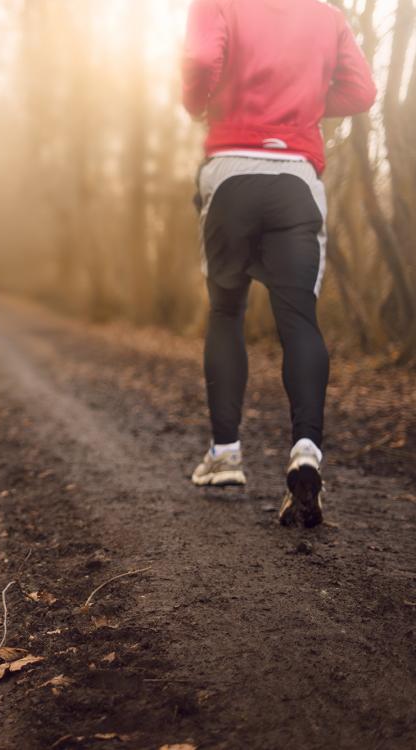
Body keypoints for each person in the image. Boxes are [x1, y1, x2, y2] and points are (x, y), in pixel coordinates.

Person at [182, 0, 376, 527]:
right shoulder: (328, 15)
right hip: (297, 177)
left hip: (229, 173)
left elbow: (200, 60)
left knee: (226, 313)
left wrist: (202, 102)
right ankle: (306, 449)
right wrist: (306, 104)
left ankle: (224, 455)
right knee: (299, 319)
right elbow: (362, 92)